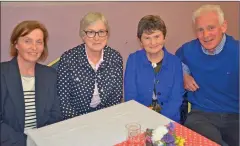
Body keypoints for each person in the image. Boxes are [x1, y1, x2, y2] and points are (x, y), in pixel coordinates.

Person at [175, 4, 239, 146]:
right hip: (201, 115)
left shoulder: (237, 51)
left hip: (236, 115)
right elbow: (174, 62)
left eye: (211, 28)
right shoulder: (188, 50)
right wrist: (184, 75)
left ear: (223, 26)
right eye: (200, 30)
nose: (205, 35)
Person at [1, 20, 63, 146]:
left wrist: (42, 140)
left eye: (39, 42)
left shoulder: (50, 75)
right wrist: (27, 142)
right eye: (27, 41)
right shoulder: (2, 73)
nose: (34, 47)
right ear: (16, 44)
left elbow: (56, 115)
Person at [57, 12, 123, 120]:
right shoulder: (68, 59)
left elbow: (116, 97)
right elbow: (64, 102)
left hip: (106, 117)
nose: (97, 38)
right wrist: (82, 123)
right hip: (74, 119)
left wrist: (105, 119)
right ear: (83, 35)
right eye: (91, 32)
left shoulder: (115, 58)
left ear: (107, 34)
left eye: (101, 32)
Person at [124, 15, 184, 122]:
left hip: (169, 120)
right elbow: (130, 97)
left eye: (157, 37)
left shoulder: (175, 62)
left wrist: (158, 120)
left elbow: (176, 99)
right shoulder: (133, 60)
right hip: (139, 118)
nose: (153, 43)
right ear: (140, 41)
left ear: (164, 37)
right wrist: (146, 119)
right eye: (147, 38)